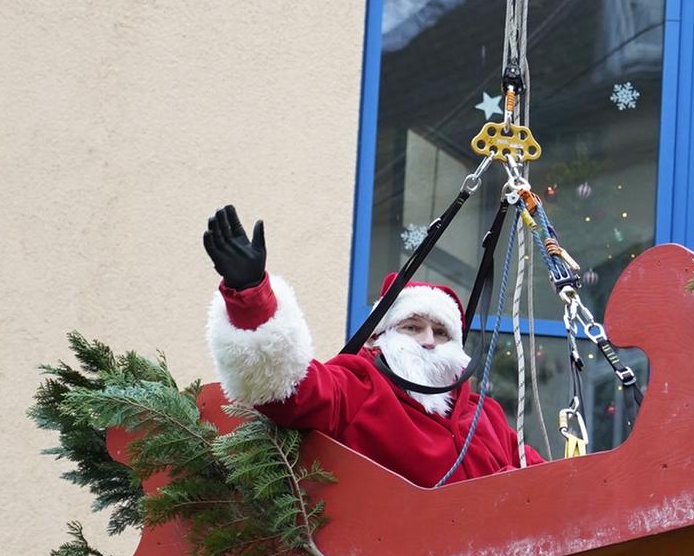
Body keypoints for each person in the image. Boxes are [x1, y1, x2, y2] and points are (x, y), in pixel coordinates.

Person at [201, 204, 542, 488]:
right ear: (380, 337)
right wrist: (251, 295)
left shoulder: (486, 416)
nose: (427, 341)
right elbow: (288, 388)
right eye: (412, 327)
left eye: (440, 332)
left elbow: (542, 478)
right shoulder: (358, 386)